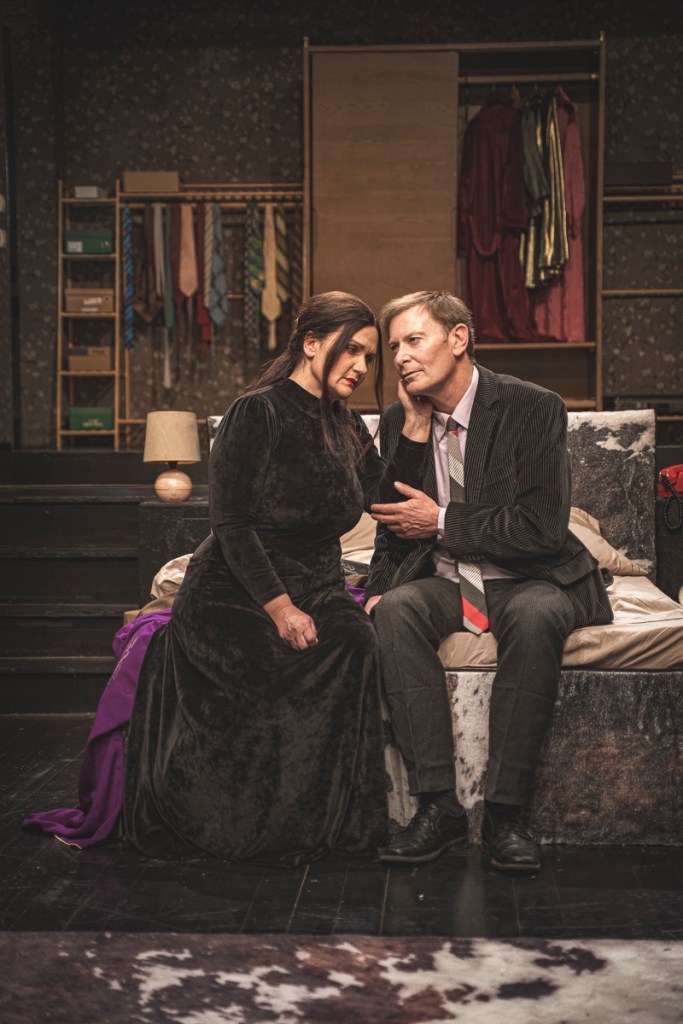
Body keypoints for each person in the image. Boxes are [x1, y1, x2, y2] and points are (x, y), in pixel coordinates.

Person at [121, 291, 428, 865]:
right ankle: (247, 822)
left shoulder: (345, 423)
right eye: (352, 350)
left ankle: (327, 823)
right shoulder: (256, 412)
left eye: (369, 357)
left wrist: (412, 423)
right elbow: (231, 525)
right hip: (235, 591)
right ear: (311, 343)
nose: (362, 366)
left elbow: (387, 498)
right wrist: (281, 608)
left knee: (357, 644)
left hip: (318, 585)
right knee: (270, 661)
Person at [365, 291, 613, 872]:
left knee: (536, 614)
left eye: (414, 340)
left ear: (458, 338)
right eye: (394, 346)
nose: (399, 357)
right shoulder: (401, 418)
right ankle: (437, 807)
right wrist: (378, 586)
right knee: (395, 610)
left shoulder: (533, 407)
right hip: (449, 579)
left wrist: (442, 521)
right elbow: (390, 521)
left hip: (530, 575)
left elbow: (541, 527)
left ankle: (506, 812)